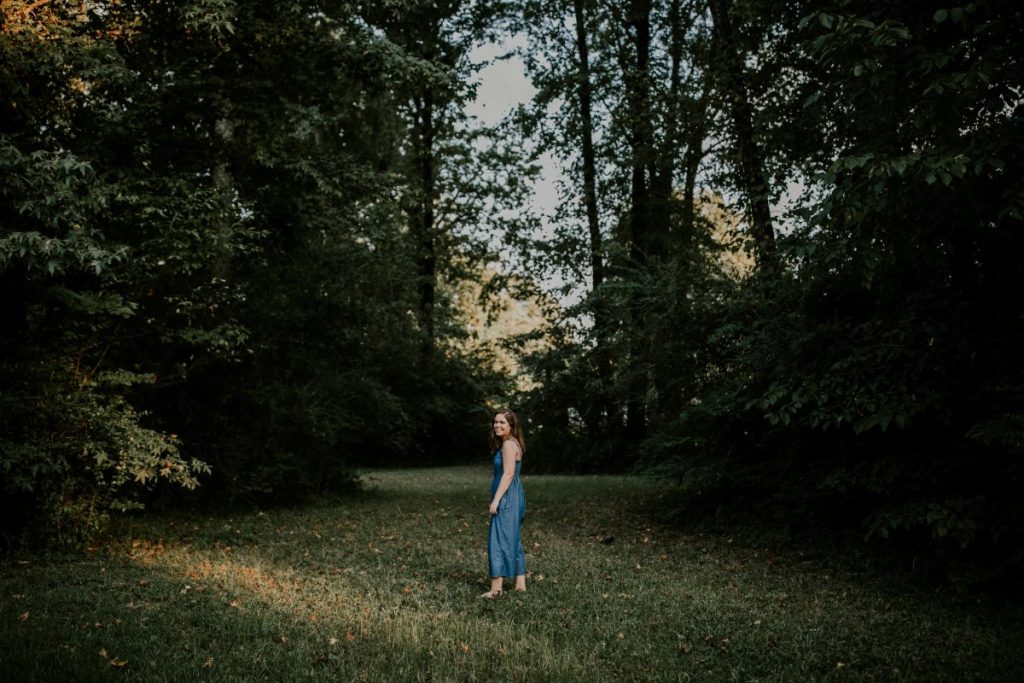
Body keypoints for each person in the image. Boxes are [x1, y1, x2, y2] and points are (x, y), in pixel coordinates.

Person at [481, 409, 527, 598]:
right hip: (515, 495)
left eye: (502, 423)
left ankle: (496, 589)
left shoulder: (508, 445)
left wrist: (496, 499)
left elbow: (508, 474)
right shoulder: (513, 443)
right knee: (512, 537)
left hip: (507, 497)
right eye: (496, 422)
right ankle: (520, 582)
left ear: (511, 426)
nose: (497, 425)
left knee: (498, 538)